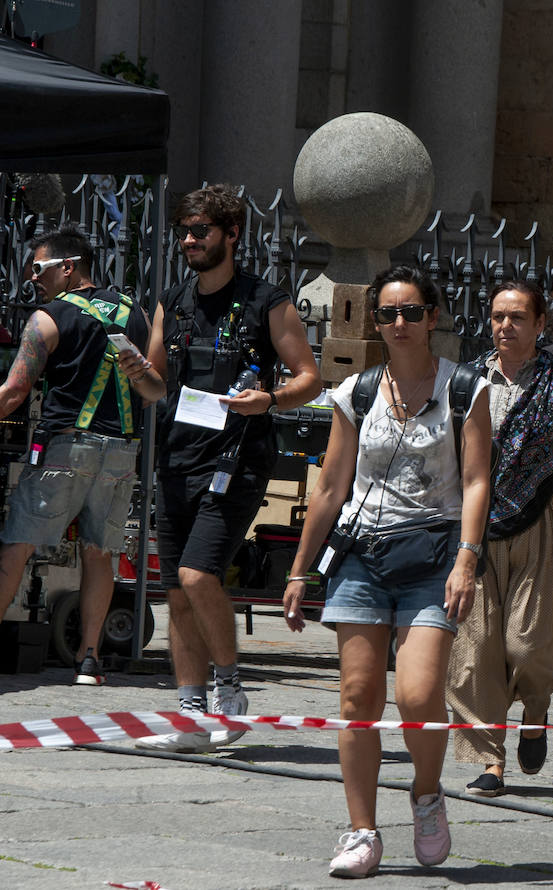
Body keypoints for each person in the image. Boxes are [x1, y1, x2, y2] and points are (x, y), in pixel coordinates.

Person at [282, 265, 492, 878]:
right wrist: (299, 571)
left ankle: (426, 795)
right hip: (361, 556)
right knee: (357, 698)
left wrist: (467, 558)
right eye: (387, 313)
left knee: (419, 694)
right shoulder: (357, 393)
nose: (398, 323)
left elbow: (478, 480)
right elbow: (328, 486)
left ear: (433, 317)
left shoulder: (466, 387)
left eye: (410, 312)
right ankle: (362, 831)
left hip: (433, 555)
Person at [136, 185, 322, 753]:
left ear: (231, 234)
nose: (190, 241)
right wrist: (132, 369)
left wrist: (269, 400)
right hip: (176, 457)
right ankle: (190, 713)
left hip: (236, 458)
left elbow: (309, 377)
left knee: (198, 575)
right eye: (185, 232)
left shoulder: (267, 300)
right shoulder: (174, 299)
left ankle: (230, 689)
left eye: (201, 231)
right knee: (175, 590)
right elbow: (157, 384)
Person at [445, 277, 553, 797]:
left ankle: (536, 708)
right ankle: (490, 762)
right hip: (476, 529)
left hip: (544, 521)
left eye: (517, 317)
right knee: (474, 650)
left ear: (540, 324)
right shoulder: (468, 381)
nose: (505, 326)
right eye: (497, 317)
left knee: (528, 642)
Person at [0, 225, 164, 685]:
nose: (32, 278)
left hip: (66, 448)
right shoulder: (136, 315)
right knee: (100, 553)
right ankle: (88, 659)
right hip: (121, 453)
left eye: (39, 268)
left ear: (67, 268)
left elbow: (14, 392)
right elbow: (151, 390)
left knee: (18, 543)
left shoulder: (47, 318)